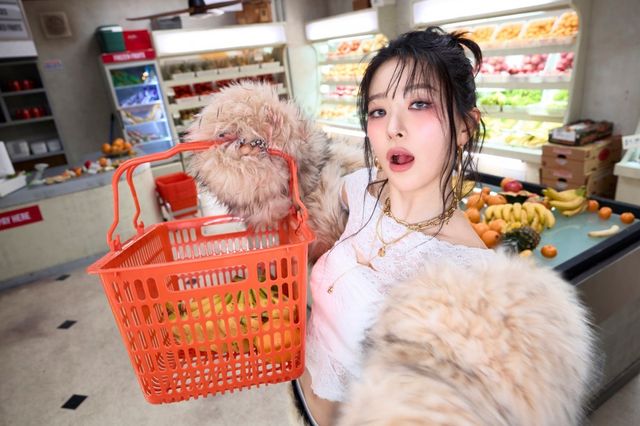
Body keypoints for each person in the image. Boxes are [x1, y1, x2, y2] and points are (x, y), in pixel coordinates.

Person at [294, 27, 494, 425]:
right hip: (298, 396)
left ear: (465, 126)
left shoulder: (472, 274)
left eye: (419, 103)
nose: (392, 128)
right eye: (378, 111)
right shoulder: (359, 189)